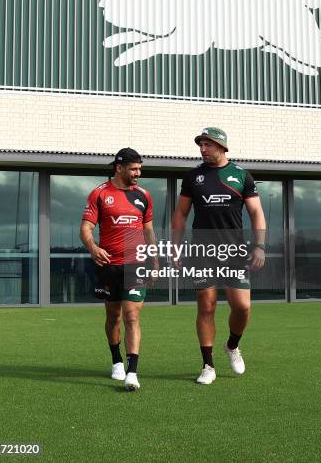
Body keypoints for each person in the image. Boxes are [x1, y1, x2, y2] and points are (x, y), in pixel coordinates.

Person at [172, 127, 266, 385]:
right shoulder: (193, 177)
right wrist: (176, 246)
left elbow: (256, 212)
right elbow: (180, 214)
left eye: (207, 144)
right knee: (207, 305)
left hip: (234, 251)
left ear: (222, 146)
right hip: (202, 251)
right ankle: (207, 365)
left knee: (242, 307)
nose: (202, 149)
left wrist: (260, 246)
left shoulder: (241, 175)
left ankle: (232, 345)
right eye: (200, 145)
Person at [80, 148, 156, 391]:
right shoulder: (100, 194)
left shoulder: (143, 195)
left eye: (140, 169)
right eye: (134, 169)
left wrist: (153, 260)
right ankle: (116, 360)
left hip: (136, 263)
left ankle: (132, 372)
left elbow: (149, 231)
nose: (138, 173)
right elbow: (86, 229)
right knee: (113, 316)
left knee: (131, 315)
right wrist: (93, 248)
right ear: (119, 167)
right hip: (108, 266)